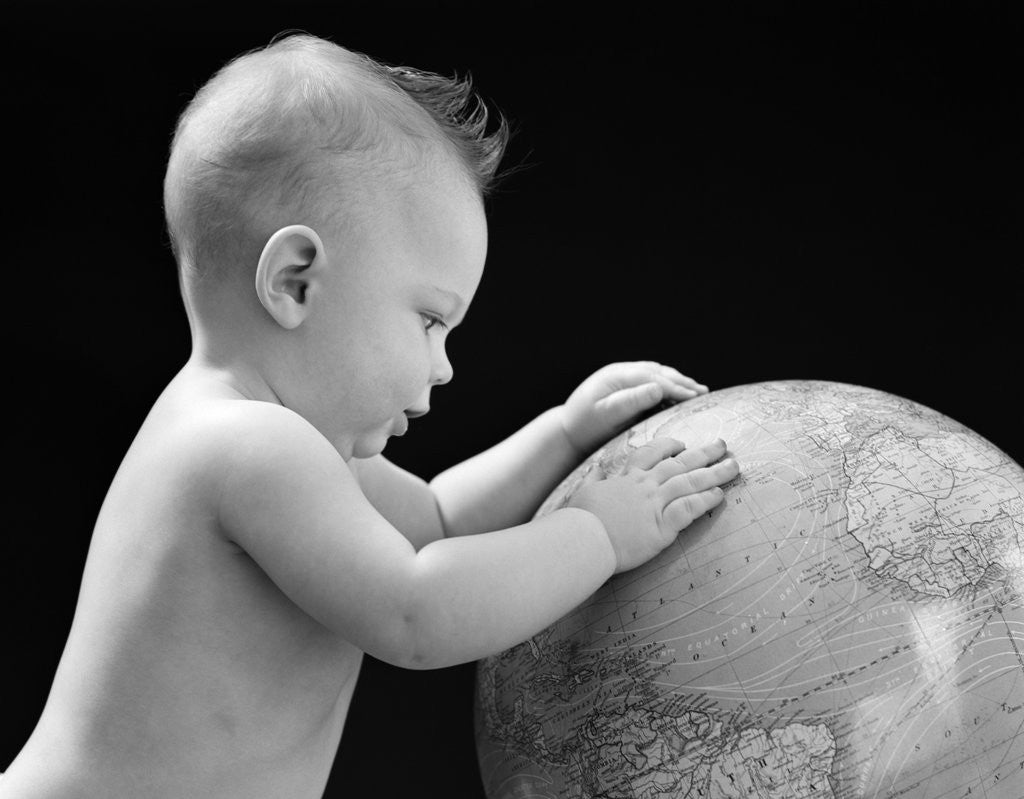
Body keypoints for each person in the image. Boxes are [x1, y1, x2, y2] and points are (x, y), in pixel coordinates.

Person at [0, 33, 740, 798]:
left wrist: (560, 433)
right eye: (428, 320)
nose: (446, 365)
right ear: (296, 283)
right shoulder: (246, 446)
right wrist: (600, 533)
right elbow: (417, 613)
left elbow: (438, 521)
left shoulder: (283, 441)